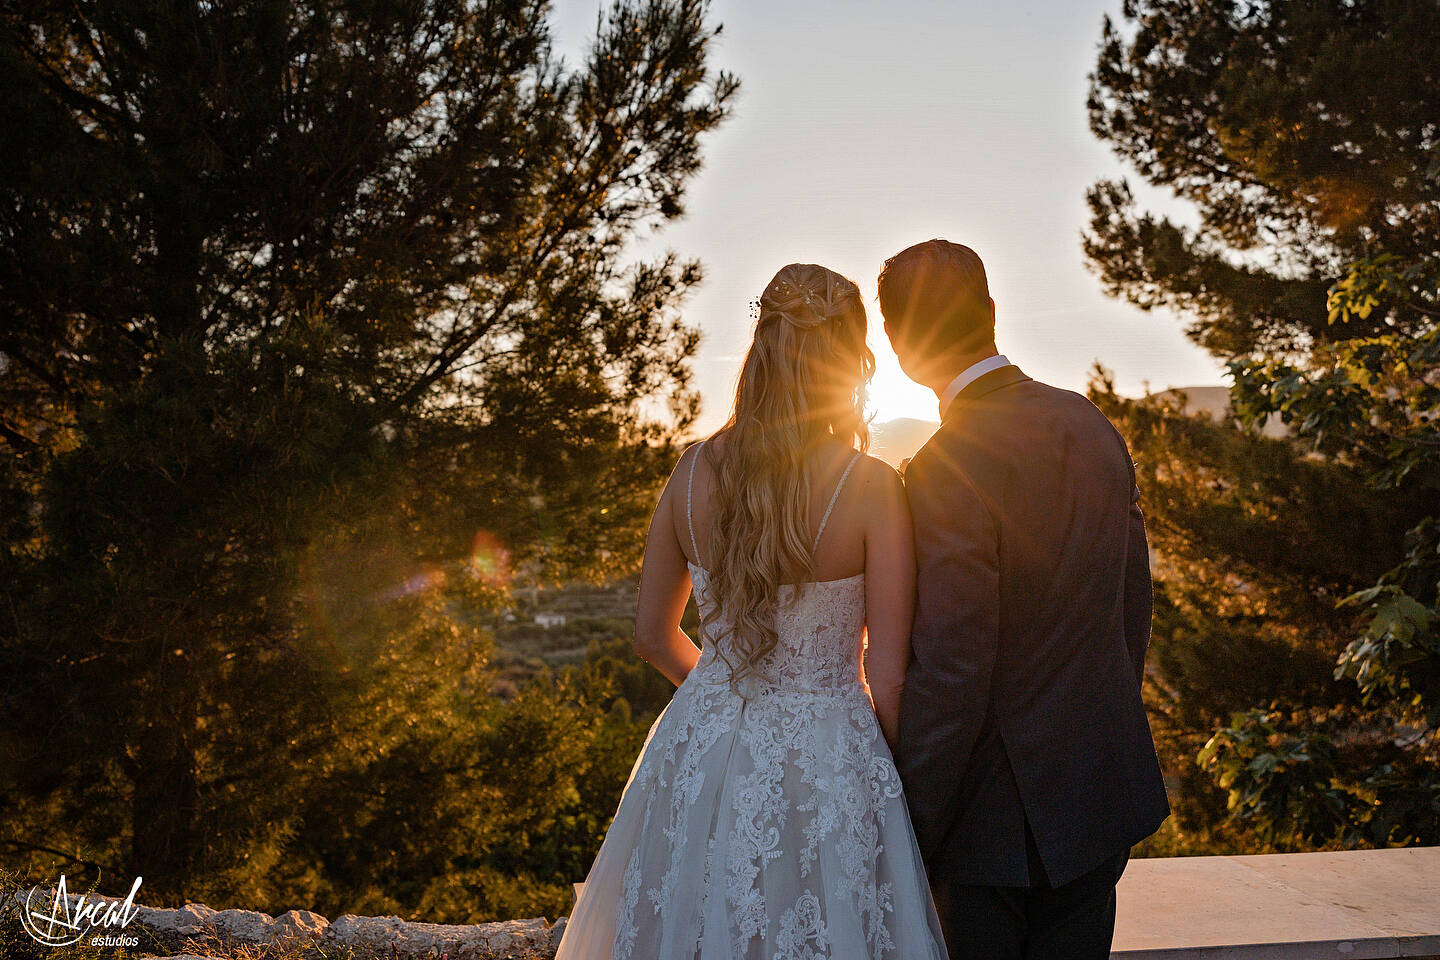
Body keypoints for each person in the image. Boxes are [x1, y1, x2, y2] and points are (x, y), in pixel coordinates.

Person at [554, 263, 949, 959]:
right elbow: (887, 678)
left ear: (761, 345)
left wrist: (720, 693)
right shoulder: (873, 489)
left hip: (701, 749)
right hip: (829, 752)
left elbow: (652, 636)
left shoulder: (689, 471)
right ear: (851, 361)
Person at [878, 239, 1171, 960]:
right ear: (990, 312)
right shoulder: (1090, 423)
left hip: (991, 826)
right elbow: (1133, 606)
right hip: (1098, 796)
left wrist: (911, 821)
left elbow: (955, 661)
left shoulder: (946, 465)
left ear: (900, 347)